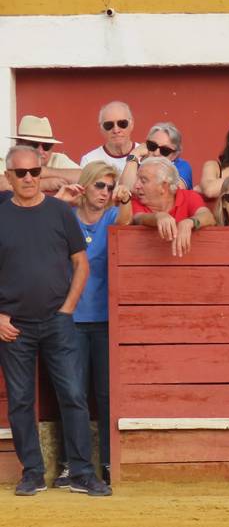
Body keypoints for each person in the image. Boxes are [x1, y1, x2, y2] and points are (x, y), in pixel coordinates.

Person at [0, 146, 109, 496]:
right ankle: (32, 472)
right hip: (13, 325)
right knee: (20, 400)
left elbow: (82, 264)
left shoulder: (60, 212)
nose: (29, 178)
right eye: (21, 173)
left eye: (34, 172)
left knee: (74, 395)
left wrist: (67, 308)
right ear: (9, 177)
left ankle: (80, 472)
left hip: (57, 321)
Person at [51, 161, 133, 488]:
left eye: (110, 187)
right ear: (85, 186)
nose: (106, 193)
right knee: (73, 394)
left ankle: (109, 463)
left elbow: (126, 221)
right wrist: (63, 199)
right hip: (69, 319)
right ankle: (74, 465)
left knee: (105, 394)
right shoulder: (66, 217)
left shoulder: (112, 216)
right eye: (100, 186)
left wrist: (123, 200)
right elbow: (43, 225)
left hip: (104, 321)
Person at [132, 157, 216, 256]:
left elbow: (208, 216)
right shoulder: (136, 200)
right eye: (137, 179)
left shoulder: (188, 196)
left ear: (163, 186)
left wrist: (190, 222)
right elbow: (138, 218)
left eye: (143, 181)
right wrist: (158, 216)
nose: (136, 185)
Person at [0, 115, 81, 193]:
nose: (40, 151)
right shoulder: (8, 161)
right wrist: (45, 184)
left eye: (46, 145)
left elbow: (86, 177)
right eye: (33, 145)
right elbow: (2, 185)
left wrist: (43, 171)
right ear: (18, 144)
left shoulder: (58, 159)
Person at [115, 122, 194, 197]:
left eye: (165, 150)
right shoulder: (137, 165)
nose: (156, 153)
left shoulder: (181, 166)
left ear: (175, 155)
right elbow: (125, 190)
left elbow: (170, 192)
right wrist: (134, 155)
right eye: (152, 146)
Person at [80, 101, 139, 173]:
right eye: (109, 125)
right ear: (101, 128)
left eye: (122, 123)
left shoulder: (147, 154)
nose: (116, 130)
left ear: (132, 124)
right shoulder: (90, 161)